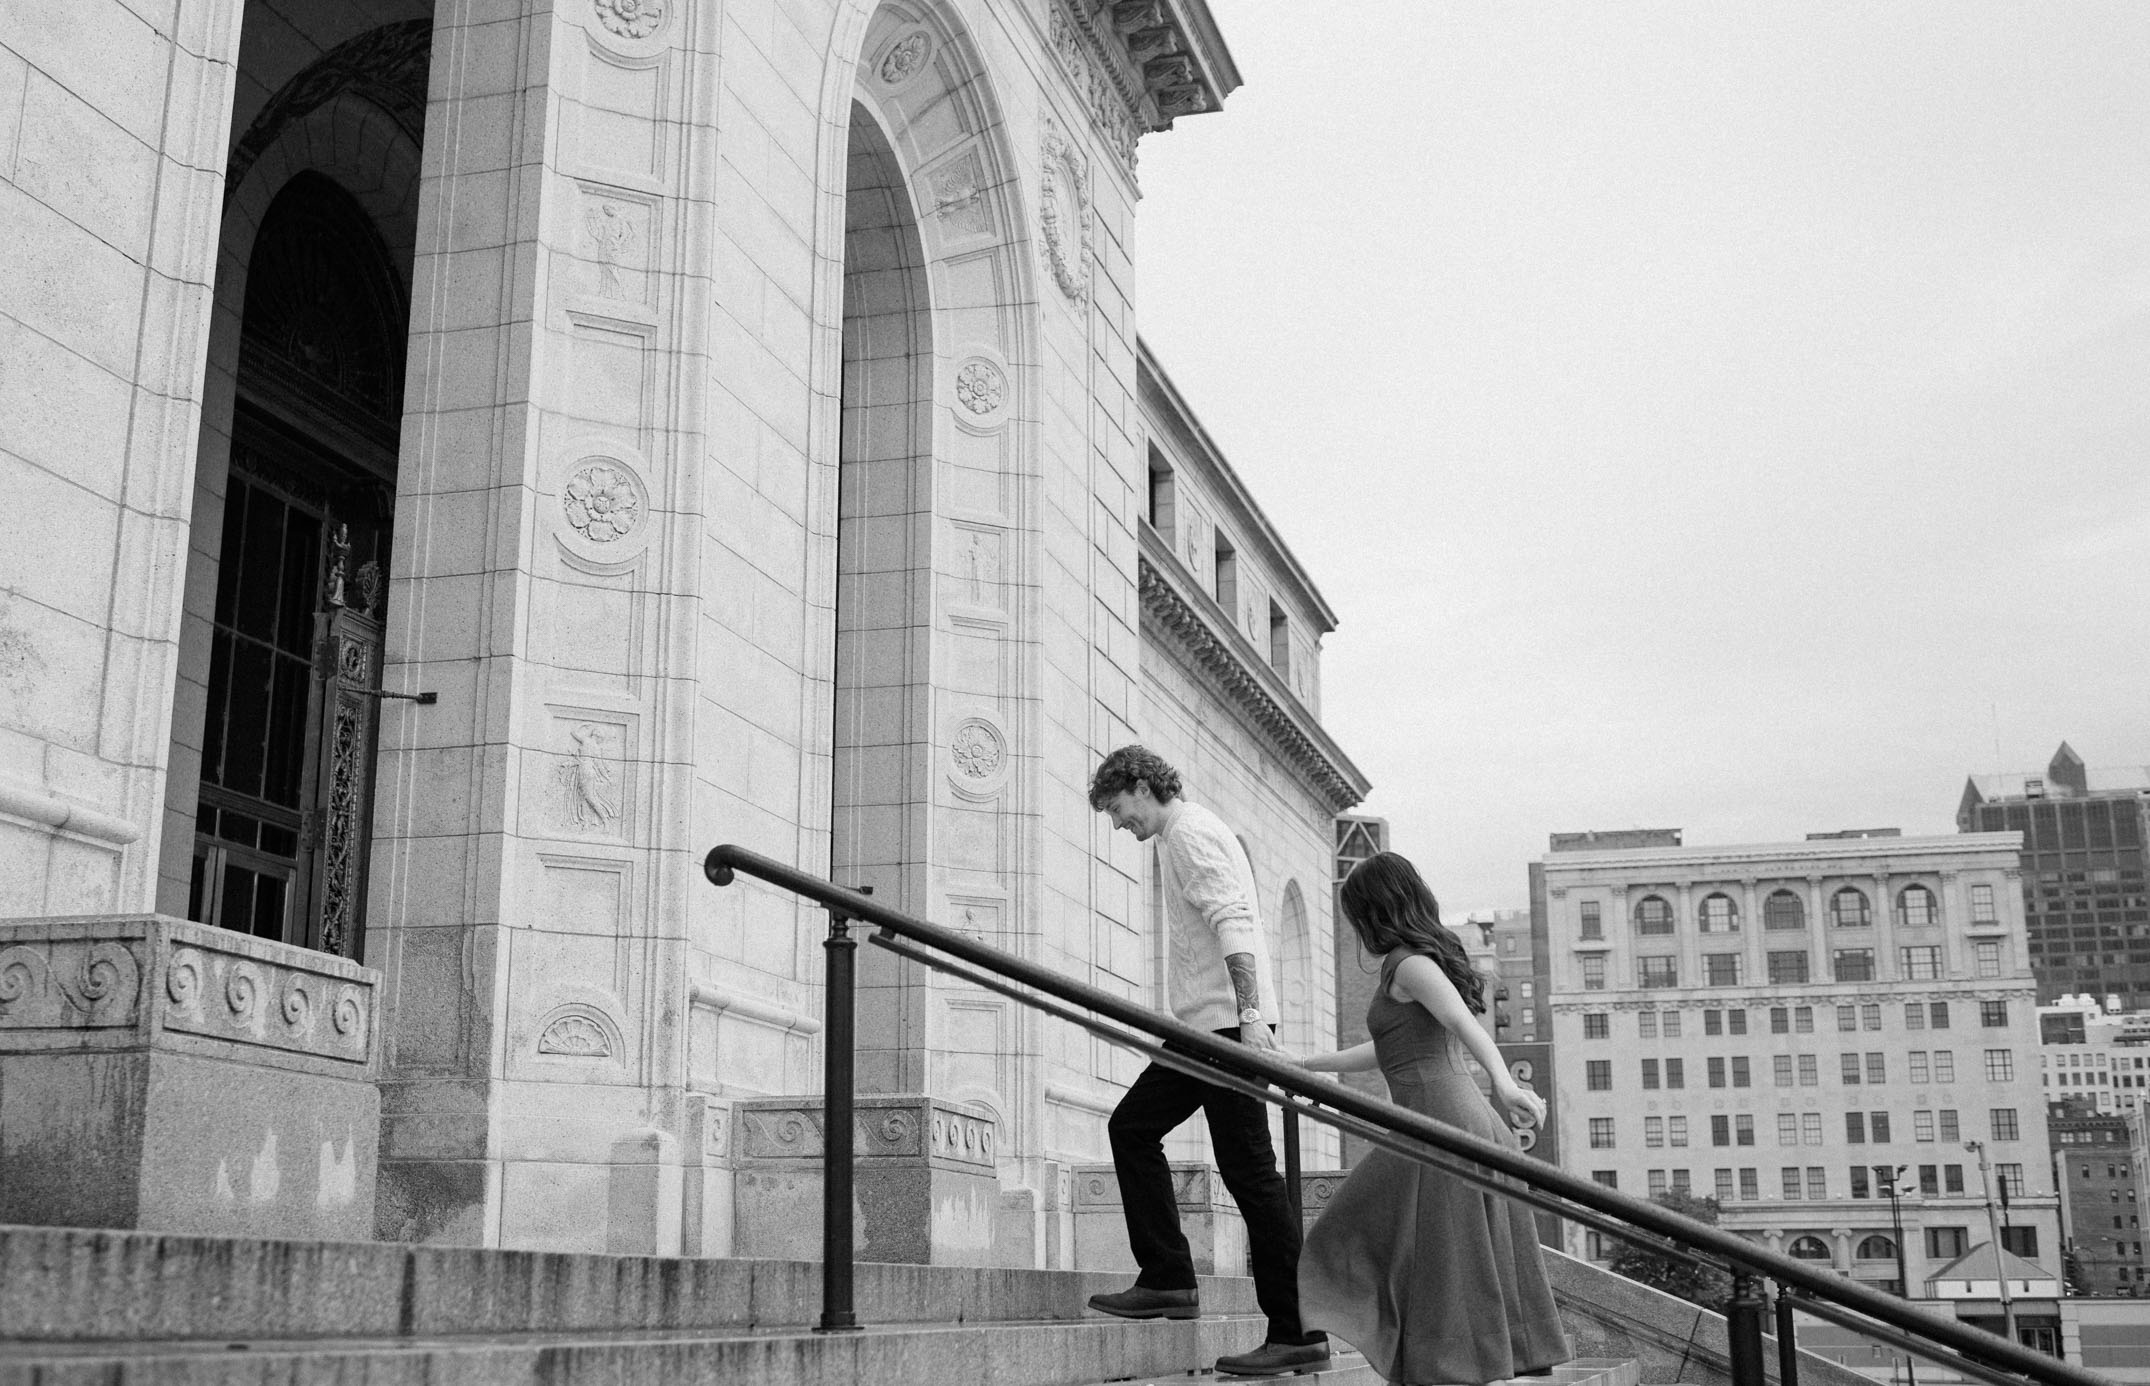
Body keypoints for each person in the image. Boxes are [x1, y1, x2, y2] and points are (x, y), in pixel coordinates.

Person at [1083, 745, 1329, 1378]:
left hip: (1225, 1028)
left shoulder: (1190, 834)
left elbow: (1236, 921)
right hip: (1207, 1026)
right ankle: (1169, 1277)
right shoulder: (1180, 836)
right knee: (1138, 1131)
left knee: (1249, 1173)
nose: (1118, 824)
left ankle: (1296, 1329)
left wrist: (1249, 1021)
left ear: (1141, 785)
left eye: (1117, 809)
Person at [1292, 851, 1570, 1386]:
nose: (1356, 928)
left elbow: (1463, 1023)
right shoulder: (1407, 965)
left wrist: (1506, 1083)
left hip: (1443, 1121)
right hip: (1442, 1119)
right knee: (1444, 1248)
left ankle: (1446, 1361)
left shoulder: (1412, 964)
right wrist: (1304, 1065)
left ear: (1376, 909)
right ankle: (1454, 1358)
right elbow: (1386, 1049)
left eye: (1356, 915)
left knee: (1363, 1231)